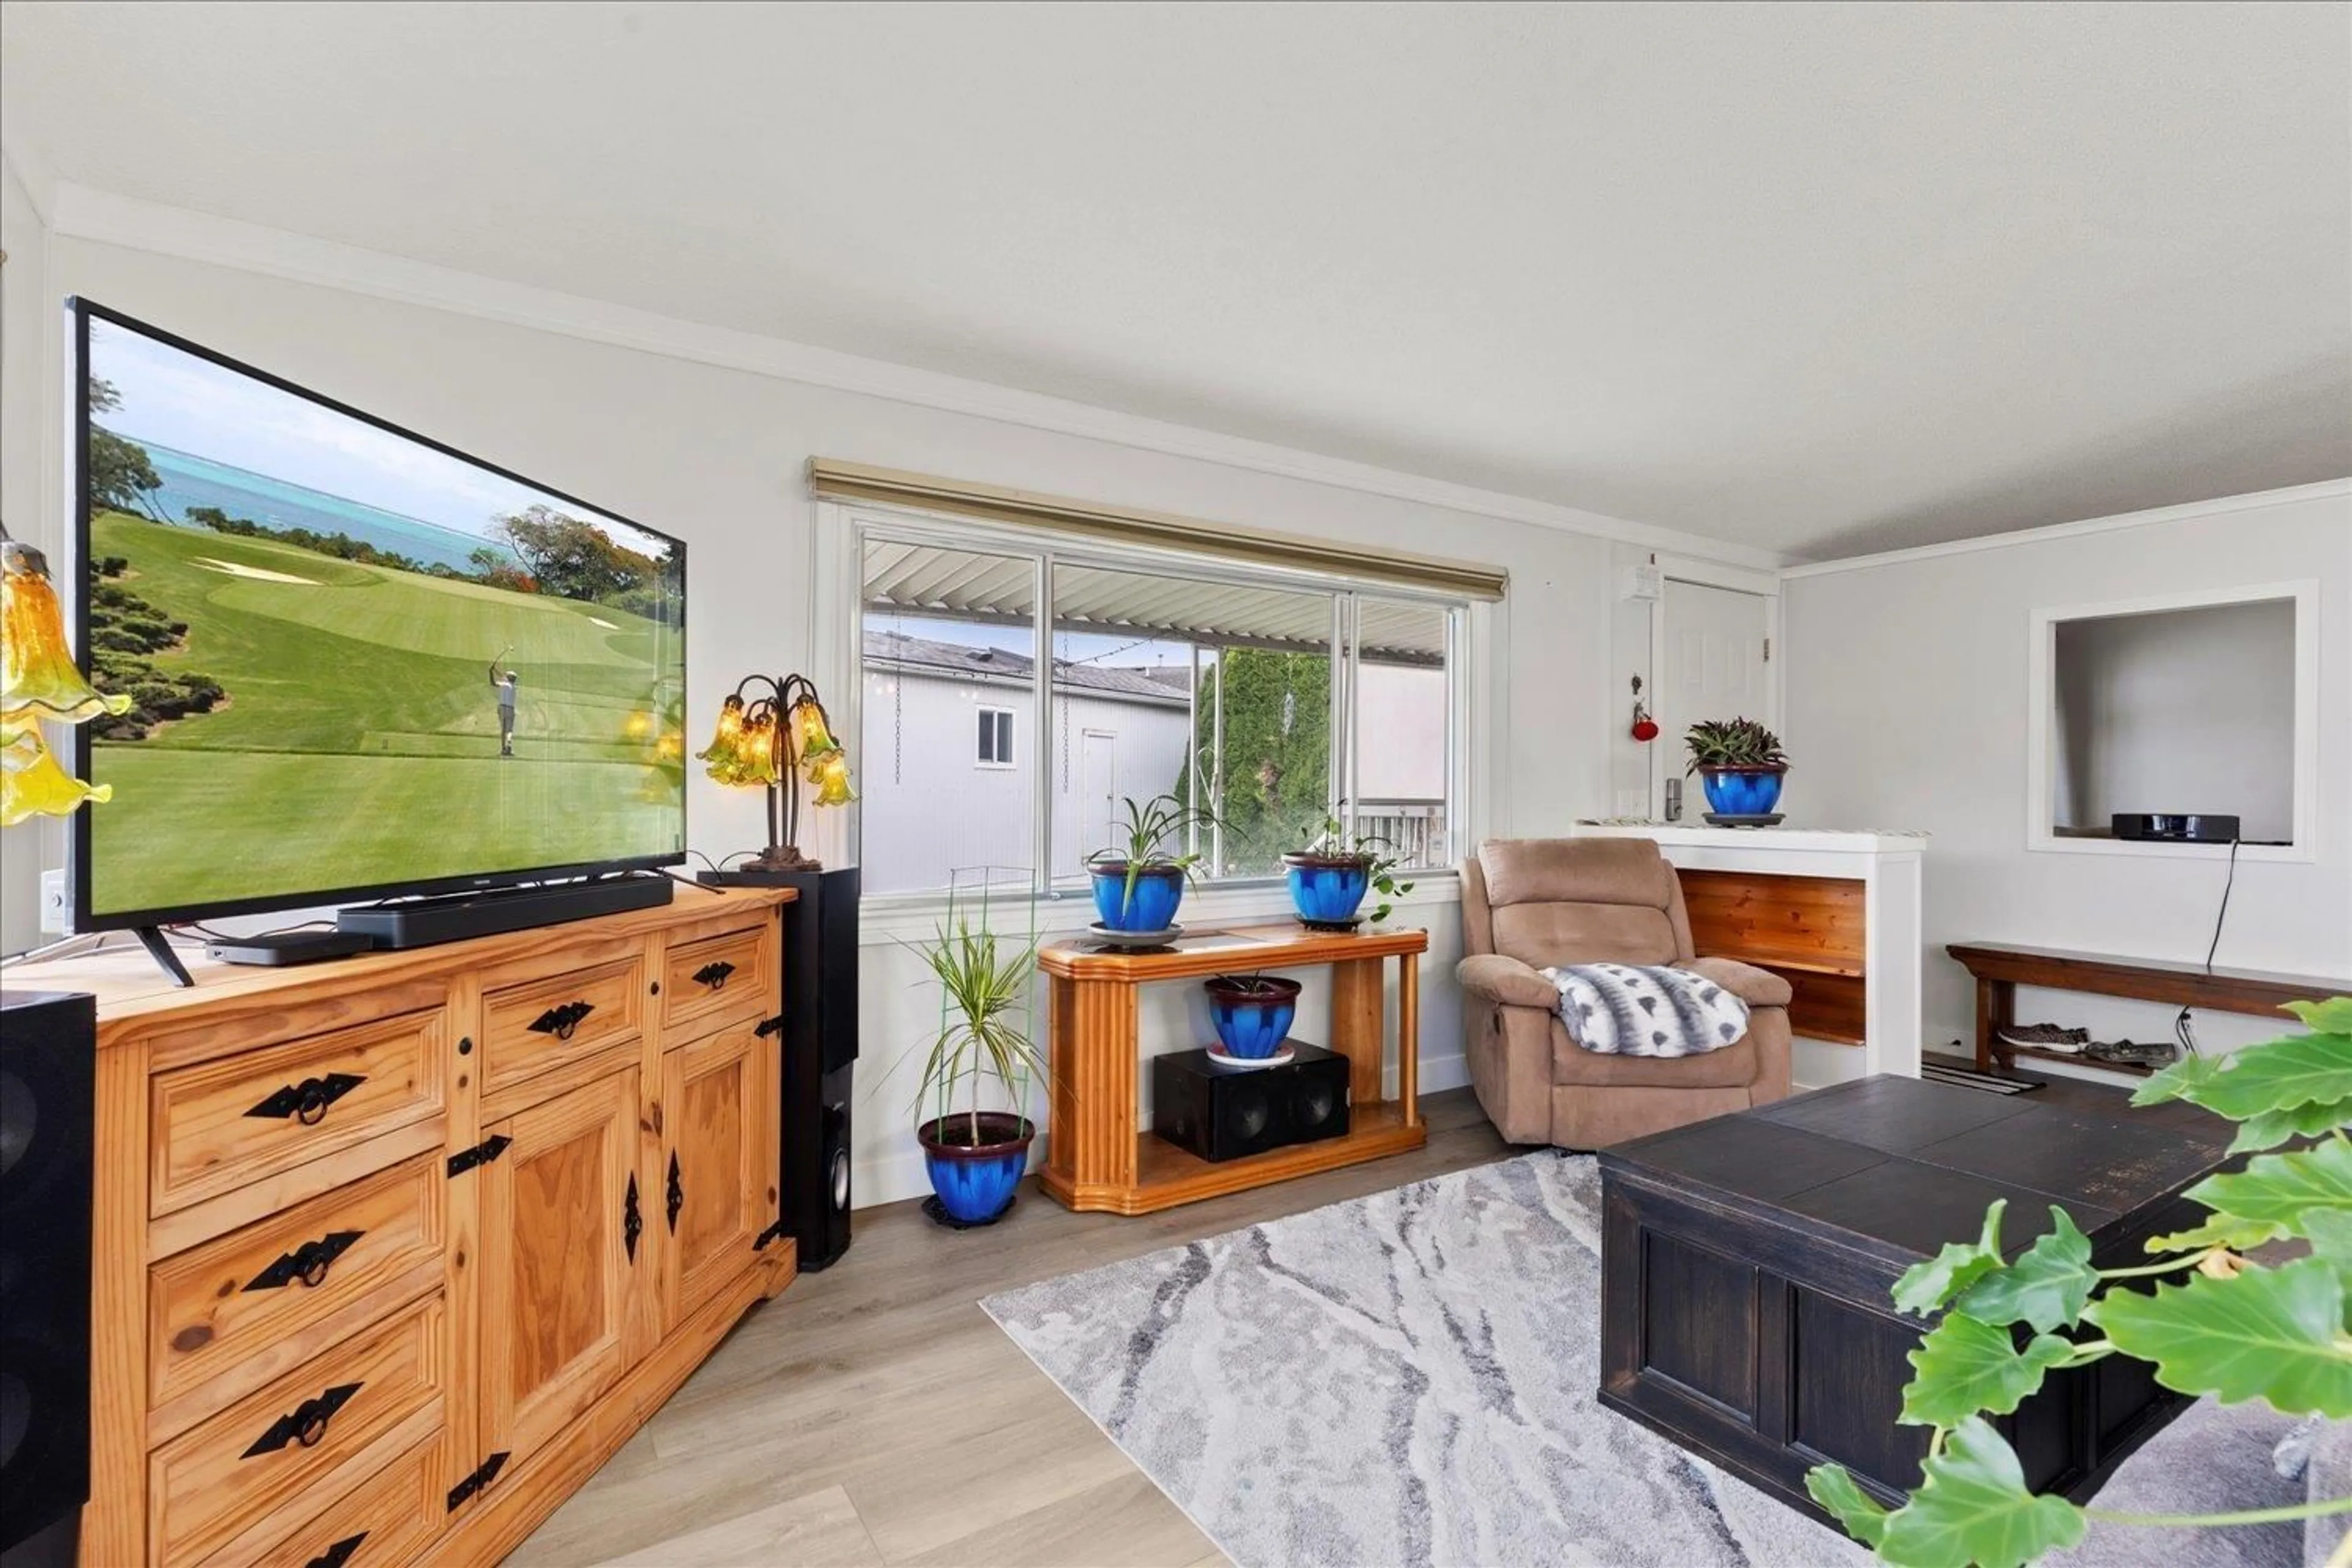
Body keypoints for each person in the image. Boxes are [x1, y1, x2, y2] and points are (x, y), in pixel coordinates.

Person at [489, 658, 518, 757]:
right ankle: (509, 747)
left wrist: (491, 672)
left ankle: (503, 749)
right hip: (510, 709)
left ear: (508, 678)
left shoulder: (504, 684)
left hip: (502, 708)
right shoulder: (513, 687)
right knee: (509, 730)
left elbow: (493, 683)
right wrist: (494, 669)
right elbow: (502, 676)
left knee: (503, 730)